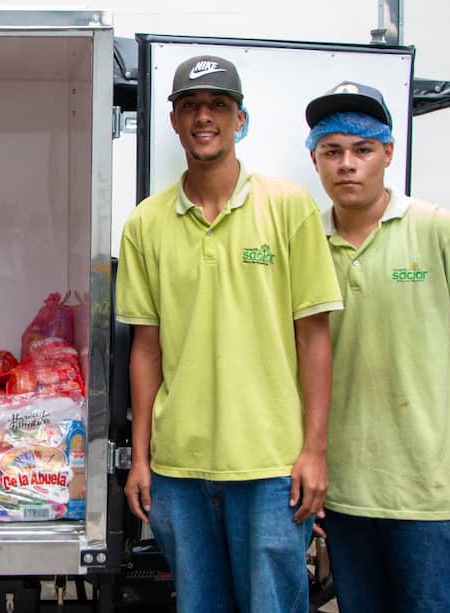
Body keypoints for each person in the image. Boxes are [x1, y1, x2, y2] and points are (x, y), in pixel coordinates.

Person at [116, 54, 344, 613]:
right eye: (190, 106)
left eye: (218, 105)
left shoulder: (288, 207)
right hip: (179, 469)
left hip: (270, 466)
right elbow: (146, 350)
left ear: (240, 118)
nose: (204, 117)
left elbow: (314, 338)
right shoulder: (145, 222)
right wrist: (141, 459)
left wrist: (315, 450)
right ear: (173, 121)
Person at [304, 81, 450, 612]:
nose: (347, 164)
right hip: (343, 491)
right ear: (315, 160)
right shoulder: (305, 242)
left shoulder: (437, 230)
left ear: (388, 154)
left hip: (426, 492)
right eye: (332, 151)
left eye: (363, 150)